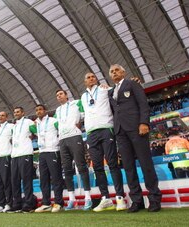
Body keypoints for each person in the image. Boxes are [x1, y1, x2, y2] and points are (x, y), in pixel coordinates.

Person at [108, 64, 162, 212]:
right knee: (129, 167)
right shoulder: (111, 91)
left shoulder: (132, 83)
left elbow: (143, 103)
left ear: (123, 72)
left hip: (136, 128)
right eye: (112, 72)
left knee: (146, 164)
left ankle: (154, 198)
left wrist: (144, 122)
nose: (114, 73)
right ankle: (137, 200)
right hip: (120, 132)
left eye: (117, 70)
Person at [79, 73, 126, 212]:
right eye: (88, 77)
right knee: (97, 167)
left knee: (112, 164)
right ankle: (105, 198)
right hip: (91, 133)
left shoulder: (105, 89)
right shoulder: (83, 97)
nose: (91, 79)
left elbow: (119, 92)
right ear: (84, 82)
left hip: (106, 129)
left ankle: (119, 198)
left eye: (93, 76)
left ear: (97, 79)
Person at [55, 90, 92, 211]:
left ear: (66, 95)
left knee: (81, 166)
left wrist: (79, 123)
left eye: (61, 94)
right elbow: (56, 124)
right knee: (66, 169)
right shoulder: (57, 110)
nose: (59, 96)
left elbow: (85, 113)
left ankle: (87, 197)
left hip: (75, 136)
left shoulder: (76, 103)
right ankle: (72, 199)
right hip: (62, 139)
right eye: (57, 95)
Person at [32, 104, 64, 213]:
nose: (38, 111)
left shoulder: (53, 120)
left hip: (53, 151)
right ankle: (46, 203)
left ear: (45, 110)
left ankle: (58, 203)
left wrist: (57, 142)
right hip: (42, 153)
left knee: (56, 178)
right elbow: (33, 132)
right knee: (43, 179)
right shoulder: (37, 123)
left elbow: (62, 130)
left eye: (40, 109)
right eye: (36, 110)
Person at [8, 107, 36, 213]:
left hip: (25, 154)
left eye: (18, 112)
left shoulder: (28, 122)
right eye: (14, 112)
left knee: (26, 180)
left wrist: (32, 135)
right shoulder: (14, 126)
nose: (16, 113)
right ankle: (17, 204)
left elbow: (37, 131)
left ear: (23, 113)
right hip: (15, 155)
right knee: (15, 181)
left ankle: (28, 204)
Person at [0, 111, 13, 213]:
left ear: (7, 117)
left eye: (2, 115)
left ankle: (9, 203)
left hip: (6, 156)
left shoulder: (11, 126)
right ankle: (1, 204)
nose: (0, 117)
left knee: (6, 181)